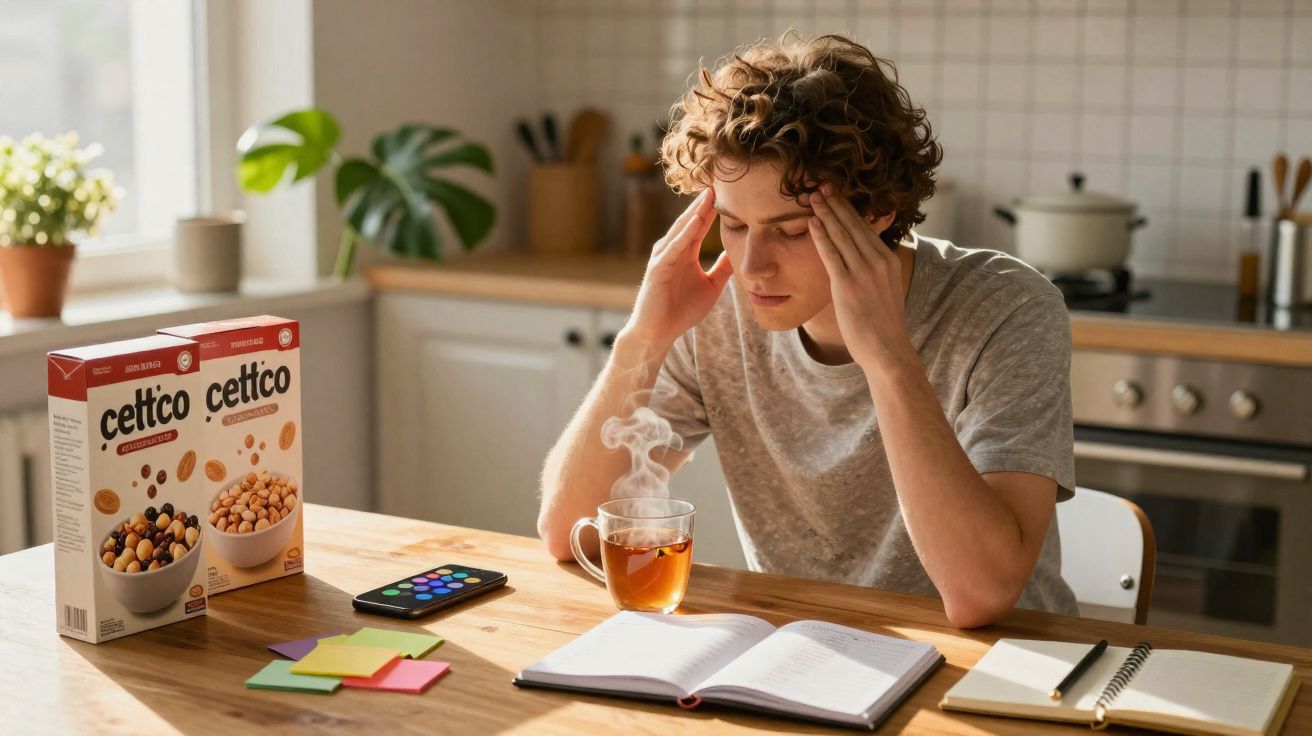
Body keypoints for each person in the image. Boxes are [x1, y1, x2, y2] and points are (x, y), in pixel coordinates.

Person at [537, 32, 1078, 627]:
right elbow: (569, 535)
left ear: (877, 214)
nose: (752, 266)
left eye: (792, 231)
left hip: (1002, 673)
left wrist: (889, 358)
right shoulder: (718, 309)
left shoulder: (1006, 308)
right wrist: (643, 338)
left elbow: (980, 596)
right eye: (735, 225)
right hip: (804, 658)